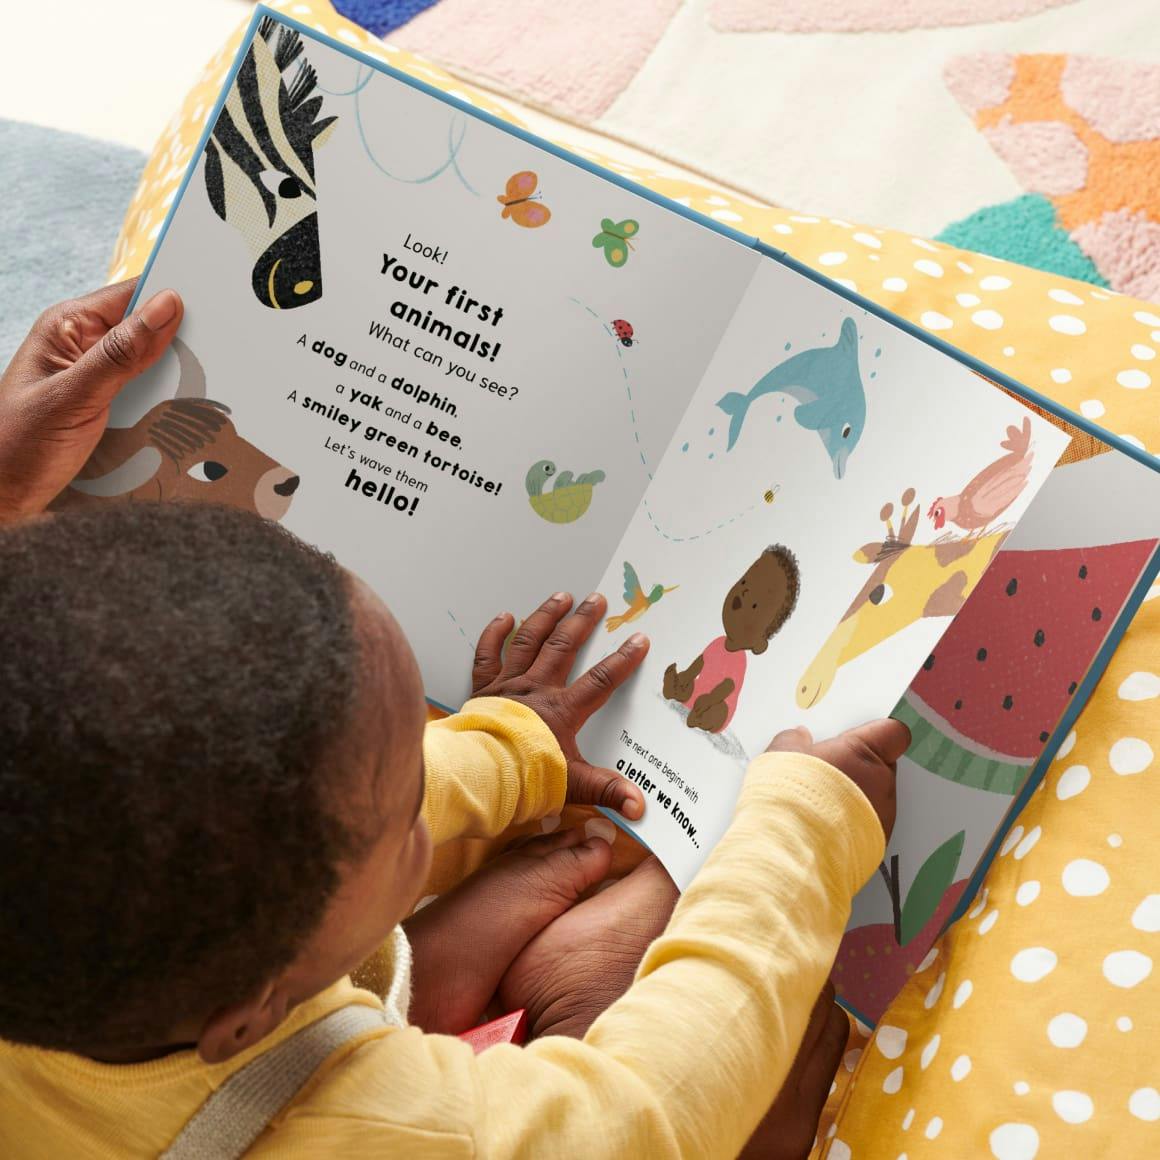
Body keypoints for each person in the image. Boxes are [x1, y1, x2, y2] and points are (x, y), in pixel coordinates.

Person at [0, 281, 907, 1158]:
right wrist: (800, 843)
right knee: (766, 1097)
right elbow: (639, 1122)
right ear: (251, 1019)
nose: (433, 784)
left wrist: (512, 745)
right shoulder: (402, 1133)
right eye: (407, 816)